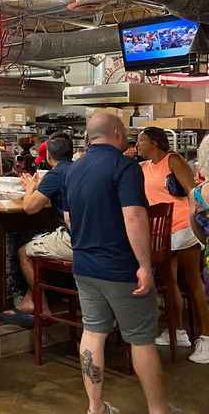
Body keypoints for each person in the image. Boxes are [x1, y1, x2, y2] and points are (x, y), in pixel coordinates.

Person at [67, 112, 168, 414]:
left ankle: (95, 408)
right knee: (141, 340)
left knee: (93, 333)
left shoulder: (73, 169)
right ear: (115, 132)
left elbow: (69, 217)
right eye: (124, 133)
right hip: (121, 269)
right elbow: (134, 216)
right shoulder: (124, 167)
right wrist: (145, 266)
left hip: (84, 266)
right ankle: (159, 410)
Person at [137, 127, 209, 364]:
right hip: (161, 235)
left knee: (193, 282)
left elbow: (192, 193)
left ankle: (206, 338)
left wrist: (196, 223)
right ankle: (177, 332)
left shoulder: (173, 160)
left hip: (184, 228)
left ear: (155, 143)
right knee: (170, 283)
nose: (138, 145)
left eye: (142, 141)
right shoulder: (144, 167)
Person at [0, 132, 74, 326]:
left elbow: (29, 208)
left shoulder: (56, 174)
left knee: (24, 252)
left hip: (74, 241)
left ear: (49, 156)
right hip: (91, 240)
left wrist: (31, 187)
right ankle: (29, 300)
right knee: (41, 241)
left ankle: (41, 307)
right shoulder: (77, 170)